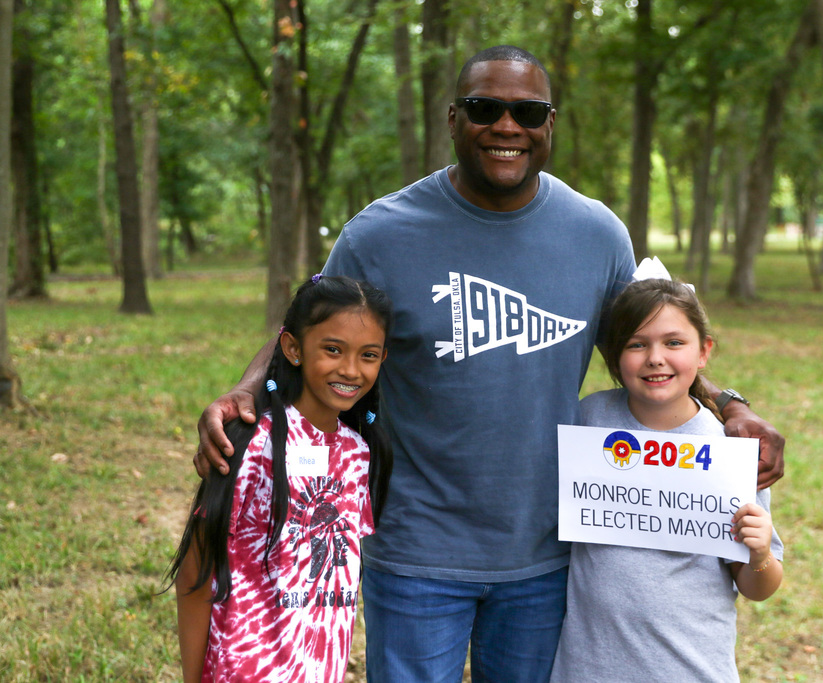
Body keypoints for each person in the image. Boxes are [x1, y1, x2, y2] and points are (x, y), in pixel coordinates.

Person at [194, 45, 785, 682]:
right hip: (415, 550)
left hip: (547, 555)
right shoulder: (382, 233)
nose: (508, 126)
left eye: (528, 112)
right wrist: (248, 389)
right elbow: (304, 330)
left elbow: (653, 348)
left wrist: (730, 405)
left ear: (549, 124)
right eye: (485, 108)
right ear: (453, 119)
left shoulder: (597, 234)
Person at [549, 270, 784, 682]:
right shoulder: (588, 420)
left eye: (674, 342)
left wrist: (761, 553)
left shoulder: (728, 449)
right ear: (614, 356)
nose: (655, 357)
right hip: (588, 668)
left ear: (704, 351)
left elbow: (757, 587)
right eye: (637, 344)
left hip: (689, 668)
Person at [168, 275, 393, 682]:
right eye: (332, 349)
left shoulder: (359, 455)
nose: (350, 369)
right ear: (292, 348)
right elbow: (195, 574)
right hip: (245, 669)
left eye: (368, 355)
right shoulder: (253, 446)